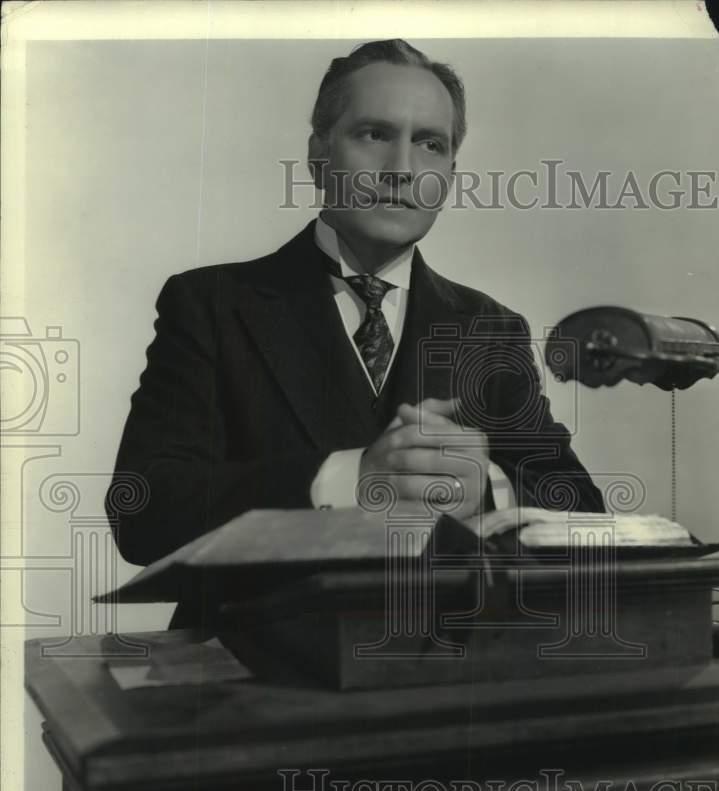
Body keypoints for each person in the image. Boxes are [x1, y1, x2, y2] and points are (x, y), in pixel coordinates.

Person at [107, 39, 604, 625]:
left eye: (430, 144)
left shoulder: (490, 329)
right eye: (373, 134)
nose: (401, 170)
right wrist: (350, 476)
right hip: (247, 679)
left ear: (449, 174)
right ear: (318, 153)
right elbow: (143, 513)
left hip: (437, 671)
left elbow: (585, 515)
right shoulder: (210, 305)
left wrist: (489, 490)